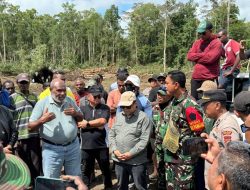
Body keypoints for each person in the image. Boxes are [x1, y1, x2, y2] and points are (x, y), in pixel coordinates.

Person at [155, 70, 205, 189]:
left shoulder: (190, 106)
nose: (164, 86)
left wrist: (191, 162)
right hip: (171, 158)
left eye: (167, 83)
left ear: (176, 85)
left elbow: (199, 135)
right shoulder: (174, 102)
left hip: (183, 162)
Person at [28, 79, 83, 178]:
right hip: (52, 149)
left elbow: (81, 118)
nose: (62, 93)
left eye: (64, 90)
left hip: (73, 147)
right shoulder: (42, 103)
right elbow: (30, 127)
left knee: (75, 178)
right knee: (51, 180)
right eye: (59, 90)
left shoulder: (70, 100)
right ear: (50, 89)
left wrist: (76, 113)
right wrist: (42, 120)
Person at [109, 91, 152, 190]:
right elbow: (112, 135)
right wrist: (115, 150)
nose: (125, 109)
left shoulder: (143, 118)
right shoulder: (119, 116)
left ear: (135, 103)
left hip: (136, 161)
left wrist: (130, 153)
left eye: (128, 106)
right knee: (121, 186)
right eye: (123, 107)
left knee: (139, 186)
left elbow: (144, 141)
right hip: (119, 159)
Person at [10, 73, 42, 186]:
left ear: (29, 83)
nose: (24, 85)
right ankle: (24, 185)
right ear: (17, 84)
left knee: (36, 162)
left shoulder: (34, 97)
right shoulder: (12, 98)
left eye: (25, 82)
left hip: (34, 135)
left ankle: (36, 184)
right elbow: (10, 119)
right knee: (22, 163)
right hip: (20, 136)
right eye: (21, 83)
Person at [78, 85, 112, 189]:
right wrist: (96, 125)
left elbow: (102, 122)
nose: (98, 98)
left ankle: (108, 187)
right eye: (95, 96)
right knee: (86, 170)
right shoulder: (82, 109)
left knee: (105, 169)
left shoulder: (105, 108)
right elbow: (79, 124)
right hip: (86, 146)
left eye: (99, 96)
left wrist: (87, 124)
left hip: (102, 145)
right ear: (88, 96)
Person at [187, 20, 222, 100]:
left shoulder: (216, 43)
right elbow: (189, 56)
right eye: (200, 33)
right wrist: (204, 55)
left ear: (210, 31)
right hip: (196, 78)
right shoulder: (197, 42)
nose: (201, 35)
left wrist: (196, 57)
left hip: (208, 78)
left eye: (203, 33)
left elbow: (210, 59)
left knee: (207, 101)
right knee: (194, 101)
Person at [151, 86, 172, 184]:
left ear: (168, 96)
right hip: (158, 145)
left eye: (162, 95)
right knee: (160, 169)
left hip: (170, 146)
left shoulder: (173, 108)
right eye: (158, 94)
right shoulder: (155, 109)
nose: (159, 96)